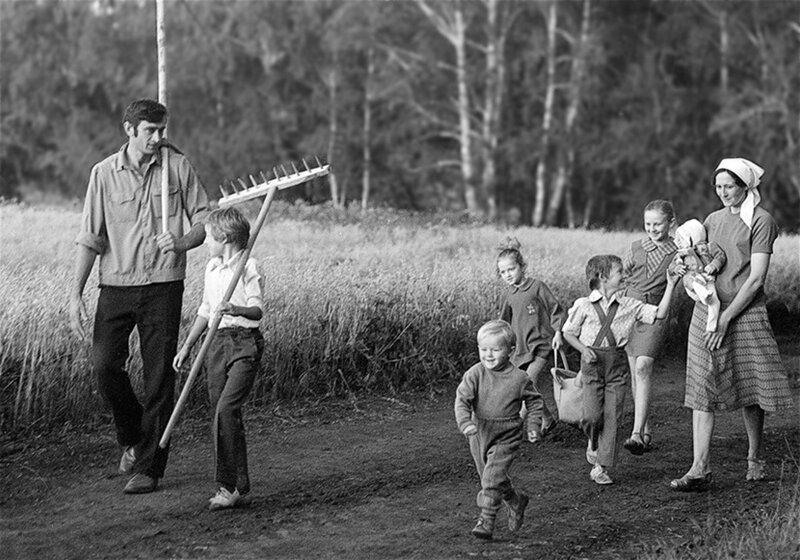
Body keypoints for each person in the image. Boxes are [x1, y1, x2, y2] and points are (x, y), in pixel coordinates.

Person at [69, 99, 210, 494]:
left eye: (162, 130)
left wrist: (181, 242)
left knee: (159, 376)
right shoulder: (103, 175)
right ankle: (133, 435)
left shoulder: (177, 167)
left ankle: (149, 466)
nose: (158, 137)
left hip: (164, 283)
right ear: (129, 129)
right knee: (103, 364)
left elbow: (204, 219)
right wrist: (74, 294)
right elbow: (90, 238)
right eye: (150, 130)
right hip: (115, 284)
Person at [669, 157, 793, 492]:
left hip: (745, 311)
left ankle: (754, 457)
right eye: (719, 186)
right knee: (700, 383)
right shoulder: (711, 219)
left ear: (746, 186)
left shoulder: (762, 221)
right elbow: (703, 257)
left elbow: (755, 280)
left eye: (730, 186)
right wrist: (685, 270)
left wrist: (727, 317)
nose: (724, 192)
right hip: (707, 310)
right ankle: (699, 467)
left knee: (750, 384)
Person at [173, 207, 264, 510]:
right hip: (216, 343)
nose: (206, 244)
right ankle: (235, 484)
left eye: (209, 238)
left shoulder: (249, 266)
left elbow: (257, 311)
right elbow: (205, 310)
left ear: (223, 238)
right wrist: (187, 346)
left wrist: (236, 310)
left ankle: (229, 487)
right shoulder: (212, 267)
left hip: (244, 344)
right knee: (220, 415)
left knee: (227, 409)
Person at [562, 255, 677, 485]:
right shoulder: (583, 305)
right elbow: (568, 332)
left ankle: (601, 467)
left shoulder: (629, 305)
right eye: (619, 273)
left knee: (613, 418)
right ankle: (593, 441)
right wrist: (583, 350)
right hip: (592, 366)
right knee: (592, 417)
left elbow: (660, 313)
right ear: (603, 278)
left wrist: (671, 284)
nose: (625, 276)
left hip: (616, 367)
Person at [454, 320, 537, 540]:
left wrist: (534, 424)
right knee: (491, 479)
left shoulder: (520, 378)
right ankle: (515, 500)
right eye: (483, 349)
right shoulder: (475, 374)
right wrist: (465, 423)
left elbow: (535, 402)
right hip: (479, 432)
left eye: (495, 349)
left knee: (491, 479)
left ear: (510, 351)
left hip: (506, 435)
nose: (488, 355)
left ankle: (486, 520)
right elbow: (462, 400)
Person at [620, 200, 678, 456]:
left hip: (656, 312)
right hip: (629, 310)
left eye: (658, 224)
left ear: (670, 222)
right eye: (648, 224)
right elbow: (621, 278)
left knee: (643, 366)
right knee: (635, 371)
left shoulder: (677, 250)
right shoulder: (635, 247)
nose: (652, 229)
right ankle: (644, 430)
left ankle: (635, 434)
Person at [497, 238, 566, 443]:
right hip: (520, 349)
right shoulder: (507, 294)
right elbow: (503, 322)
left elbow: (556, 309)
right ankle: (547, 418)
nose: (508, 275)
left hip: (541, 344)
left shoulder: (537, 287)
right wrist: (499, 343)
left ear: (522, 267)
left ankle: (514, 427)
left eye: (512, 269)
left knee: (527, 382)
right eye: (503, 272)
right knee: (529, 387)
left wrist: (558, 333)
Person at [672, 219, 726, 333]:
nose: (679, 242)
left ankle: (711, 327)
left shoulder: (709, 247)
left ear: (692, 236)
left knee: (715, 303)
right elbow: (673, 265)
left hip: (709, 279)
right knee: (697, 281)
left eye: (681, 239)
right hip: (692, 279)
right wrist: (677, 268)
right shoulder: (682, 253)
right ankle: (704, 295)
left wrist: (713, 265)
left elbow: (720, 256)